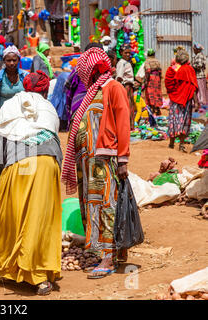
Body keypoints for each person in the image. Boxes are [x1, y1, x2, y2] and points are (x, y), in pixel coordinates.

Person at [0, 71, 63, 296]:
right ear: (44, 91)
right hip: (47, 165)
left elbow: (1, 143)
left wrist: (1, 175)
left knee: (5, 217)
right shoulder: (48, 108)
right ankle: (41, 275)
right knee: (39, 219)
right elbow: (54, 139)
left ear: (24, 88)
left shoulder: (9, 106)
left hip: (19, 165)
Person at [61, 47, 131, 279]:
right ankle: (107, 251)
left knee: (106, 207)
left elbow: (122, 122)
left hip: (105, 160)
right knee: (92, 207)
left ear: (93, 70)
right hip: (88, 164)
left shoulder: (113, 88)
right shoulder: (93, 92)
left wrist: (122, 160)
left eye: (86, 71)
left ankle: (109, 257)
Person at [165, 48, 199, 152]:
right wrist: (196, 102)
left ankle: (171, 143)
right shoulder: (190, 70)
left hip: (175, 100)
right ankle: (181, 144)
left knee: (174, 120)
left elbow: (168, 83)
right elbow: (193, 87)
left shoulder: (173, 69)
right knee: (184, 121)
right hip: (186, 101)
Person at [0, 45, 28, 110]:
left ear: (18, 60)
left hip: (22, 113)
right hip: (3, 113)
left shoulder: (25, 76)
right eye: (8, 60)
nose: (12, 63)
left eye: (14, 60)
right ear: (4, 61)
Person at [116, 44, 135, 129]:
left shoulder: (126, 63)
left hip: (129, 86)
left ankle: (130, 125)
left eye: (129, 53)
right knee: (127, 106)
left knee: (131, 106)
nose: (128, 55)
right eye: (125, 53)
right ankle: (126, 126)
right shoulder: (122, 63)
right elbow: (119, 77)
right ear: (121, 53)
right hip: (125, 87)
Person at [144, 49, 163, 116]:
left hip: (151, 78)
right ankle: (157, 108)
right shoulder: (157, 61)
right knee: (157, 92)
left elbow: (148, 70)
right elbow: (160, 71)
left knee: (150, 92)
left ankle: (152, 108)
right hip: (157, 78)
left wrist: (146, 80)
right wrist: (159, 78)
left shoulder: (147, 61)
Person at [192, 43, 207, 107]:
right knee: (201, 90)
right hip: (200, 76)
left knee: (200, 90)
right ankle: (200, 103)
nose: (193, 50)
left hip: (199, 76)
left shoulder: (199, 56)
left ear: (198, 50)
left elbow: (199, 65)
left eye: (194, 49)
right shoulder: (200, 55)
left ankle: (201, 103)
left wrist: (192, 66)